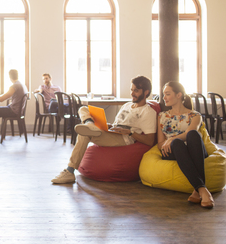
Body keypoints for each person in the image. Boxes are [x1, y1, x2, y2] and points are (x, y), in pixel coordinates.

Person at [51, 75, 157, 184]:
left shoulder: (148, 112)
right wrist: (110, 126)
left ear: (146, 92)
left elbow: (149, 140)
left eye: (136, 90)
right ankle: (90, 123)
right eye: (131, 90)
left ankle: (70, 171)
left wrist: (130, 132)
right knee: (83, 108)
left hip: (123, 138)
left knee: (84, 134)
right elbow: (119, 123)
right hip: (113, 131)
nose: (132, 93)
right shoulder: (127, 105)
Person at [158, 81, 214, 209]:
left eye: (167, 94)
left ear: (179, 95)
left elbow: (189, 133)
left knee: (193, 134)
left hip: (195, 149)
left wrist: (170, 139)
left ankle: (198, 190)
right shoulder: (162, 116)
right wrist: (169, 142)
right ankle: (202, 189)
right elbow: (160, 143)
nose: (164, 98)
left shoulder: (195, 115)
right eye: (163, 94)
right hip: (173, 151)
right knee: (177, 143)